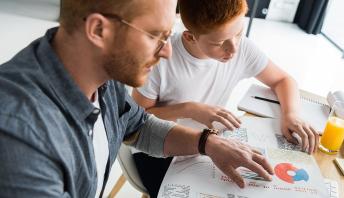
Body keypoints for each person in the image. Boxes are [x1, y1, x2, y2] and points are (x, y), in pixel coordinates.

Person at [0, 0, 276, 197]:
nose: (167, 52)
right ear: (98, 30)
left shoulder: (103, 79)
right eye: (156, 35)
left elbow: (139, 125)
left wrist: (208, 142)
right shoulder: (19, 137)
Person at [132, 0, 320, 197]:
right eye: (220, 43)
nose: (233, 49)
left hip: (210, 144)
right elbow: (137, 120)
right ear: (190, 37)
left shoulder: (241, 48)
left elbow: (283, 79)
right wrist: (190, 109)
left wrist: (291, 114)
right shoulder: (160, 58)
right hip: (159, 148)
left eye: (238, 33)